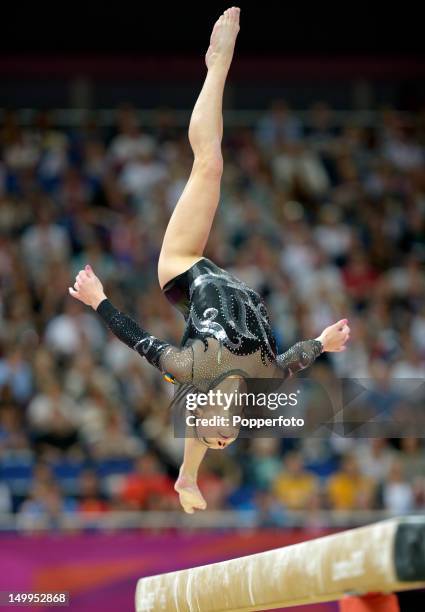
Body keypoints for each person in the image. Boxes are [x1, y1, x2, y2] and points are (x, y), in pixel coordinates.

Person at [69, 7, 350, 513]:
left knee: (210, 162)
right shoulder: (261, 386)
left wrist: (99, 300)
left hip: (183, 268)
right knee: (214, 165)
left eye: (211, 429)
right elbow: (293, 361)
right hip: (226, 279)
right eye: (228, 436)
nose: (224, 431)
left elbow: (138, 338)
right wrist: (323, 343)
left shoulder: (192, 368)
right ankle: (185, 478)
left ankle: (216, 65)